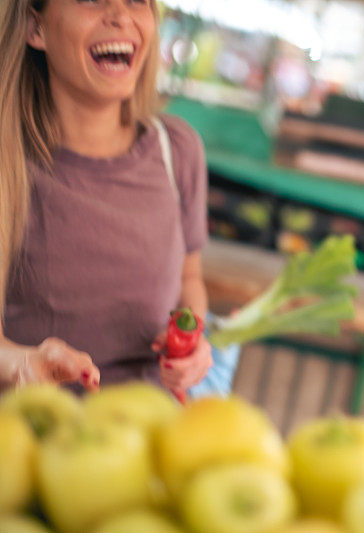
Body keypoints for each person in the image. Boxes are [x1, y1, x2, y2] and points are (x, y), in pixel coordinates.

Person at [0, 0, 213, 397]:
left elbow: (189, 278)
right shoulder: (8, 161)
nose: (121, 15)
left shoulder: (178, 150)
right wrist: (21, 364)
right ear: (36, 28)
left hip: (148, 435)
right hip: (33, 437)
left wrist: (192, 342)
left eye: (137, 0)